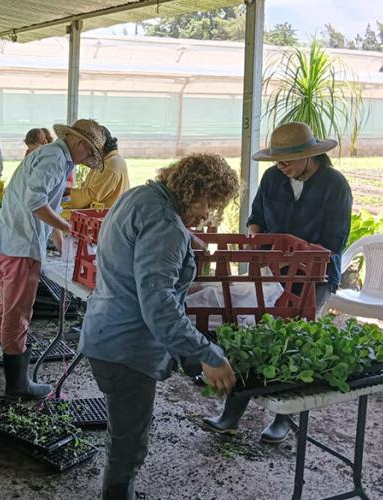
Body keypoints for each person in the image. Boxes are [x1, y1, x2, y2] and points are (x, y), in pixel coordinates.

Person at [79, 154, 240, 500]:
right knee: (129, 443)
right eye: (209, 204)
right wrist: (207, 354)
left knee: (123, 429)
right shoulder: (165, 224)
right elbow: (159, 306)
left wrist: (184, 240)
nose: (208, 215)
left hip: (104, 330)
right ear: (193, 191)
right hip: (127, 347)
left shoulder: (139, 197)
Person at [203, 121, 353, 444]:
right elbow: (256, 218)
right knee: (254, 335)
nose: (281, 167)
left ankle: (284, 419)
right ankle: (231, 416)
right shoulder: (273, 178)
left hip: (315, 275)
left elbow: (335, 241)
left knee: (295, 343)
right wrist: (258, 242)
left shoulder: (335, 185)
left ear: (309, 155)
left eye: (287, 161)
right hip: (271, 273)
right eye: (277, 161)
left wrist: (293, 259)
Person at [0, 119, 106, 400]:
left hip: (5, 244)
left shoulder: (49, 156)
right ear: (80, 143)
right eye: (89, 153)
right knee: (16, 317)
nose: (85, 160)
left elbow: (43, 205)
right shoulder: (54, 159)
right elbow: (36, 203)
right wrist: (68, 228)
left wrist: (60, 239)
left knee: (5, 311)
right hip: (20, 249)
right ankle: (17, 386)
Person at [65, 127, 130, 209]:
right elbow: (89, 190)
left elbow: (93, 196)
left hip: (105, 215)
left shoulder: (111, 163)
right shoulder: (105, 160)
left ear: (99, 145)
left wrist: (67, 191)